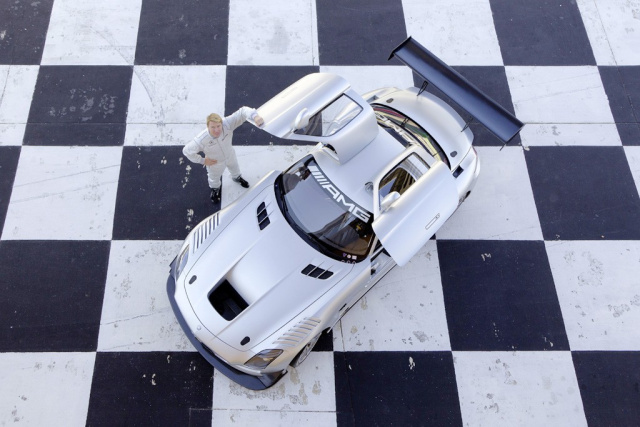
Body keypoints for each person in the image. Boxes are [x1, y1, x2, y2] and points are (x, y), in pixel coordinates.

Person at [183, 107, 265, 203]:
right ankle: (215, 189)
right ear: (208, 126)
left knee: (235, 168)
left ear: (221, 123)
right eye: (213, 127)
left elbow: (242, 112)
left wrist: (255, 116)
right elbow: (187, 151)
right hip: (215, 162)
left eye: (218, 126)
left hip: (230, 155)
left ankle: (236, 178)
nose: (216, 130)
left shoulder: (227, 124)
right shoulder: (201, 139)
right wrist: (203, 161)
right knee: (214, 178)